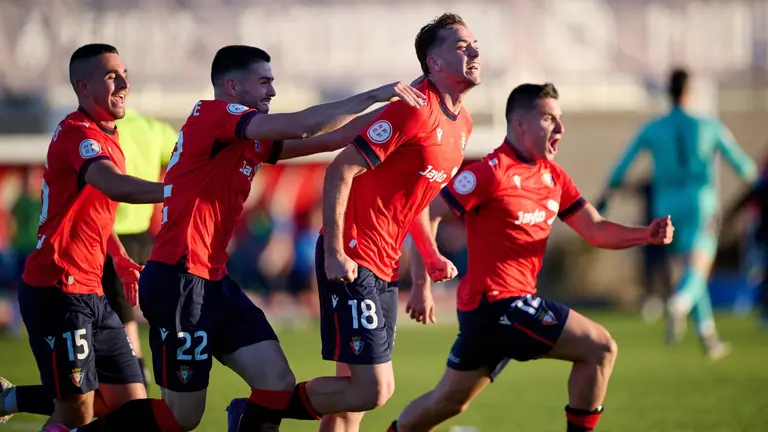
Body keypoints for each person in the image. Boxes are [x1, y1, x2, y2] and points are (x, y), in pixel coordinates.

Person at [43, 44, 426, 432]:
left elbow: (333, 137)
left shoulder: (249, 135)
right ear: (231, 86)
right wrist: (376, 94)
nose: (271, 92)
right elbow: (305, 126)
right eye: (264, 82)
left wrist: (415, 106)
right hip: (179, 280)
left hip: (214, 281)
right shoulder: (214, 116)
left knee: (275, 383)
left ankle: (244, 418)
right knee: (182, 417)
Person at [388, 82, 674, 432]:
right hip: (497, 305)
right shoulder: (491, 172)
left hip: (497, 311)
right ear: (520, 124)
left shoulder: (553, 177)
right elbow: (426, 211)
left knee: (448, 402)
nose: (561, 128)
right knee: (600, 348)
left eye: (561, 119)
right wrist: (422, 285)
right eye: (550, 118)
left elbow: (595, 229)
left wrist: (644, 234)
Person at [294, 12, 479, 432]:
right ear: (433, 64)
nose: (474, 51)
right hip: (355, 254)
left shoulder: (463, 127)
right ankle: (259, 408)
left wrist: (424, 273)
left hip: (385, 263)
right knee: (374, 389)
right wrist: (337, 252)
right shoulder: (413, 111)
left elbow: (414, 204)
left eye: (474, 44)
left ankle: (261, 407)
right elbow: (339, 169)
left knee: (352, 399)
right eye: (460, 45)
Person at [0, 43, 165, 430]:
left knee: (131, 407)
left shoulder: (110, 136)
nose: (124, 83)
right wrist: (182, 188)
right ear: (83, 87)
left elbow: (95, 214)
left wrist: (121, 257)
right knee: (78, 410)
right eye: (112, 76)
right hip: (57, 289)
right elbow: (115, 185)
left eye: (124, 73)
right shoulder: (77, 133)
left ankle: (11, 397)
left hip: (92, 291)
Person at [598, 68, 757, 358]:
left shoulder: (653, 128)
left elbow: (622, 166)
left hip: (666, 207)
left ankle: (708, 337)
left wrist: (605, 198)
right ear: (690, 91)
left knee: (692, 269)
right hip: (700, 203)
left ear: (668, 92)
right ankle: (679, 303)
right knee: (697, 270)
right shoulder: (709, 126)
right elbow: (744, 167)